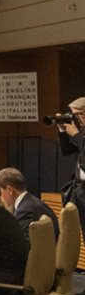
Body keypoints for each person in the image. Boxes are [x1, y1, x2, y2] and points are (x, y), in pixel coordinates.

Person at [0, 167, 59, 241]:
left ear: (10, 190)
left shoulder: (25, 211)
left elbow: (20, 243)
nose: (0, 197)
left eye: (0, 192)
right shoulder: (30, 202)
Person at [57, 97, 85, 239]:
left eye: (77, 114)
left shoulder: (81, 135)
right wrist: (62, 131)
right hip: (79, 191)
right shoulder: (82, 132)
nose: (75, 119)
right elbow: (67, 151)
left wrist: (76, 135)